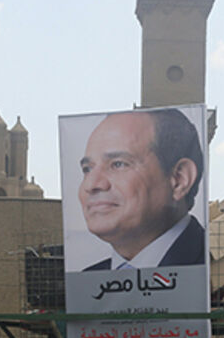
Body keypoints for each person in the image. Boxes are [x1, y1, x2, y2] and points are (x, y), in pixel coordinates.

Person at [77, 109, 205, 270]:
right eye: (87, 169)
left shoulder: (212, 271)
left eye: (118, 164)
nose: (91, 185)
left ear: (179, 180)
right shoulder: (89, 279)